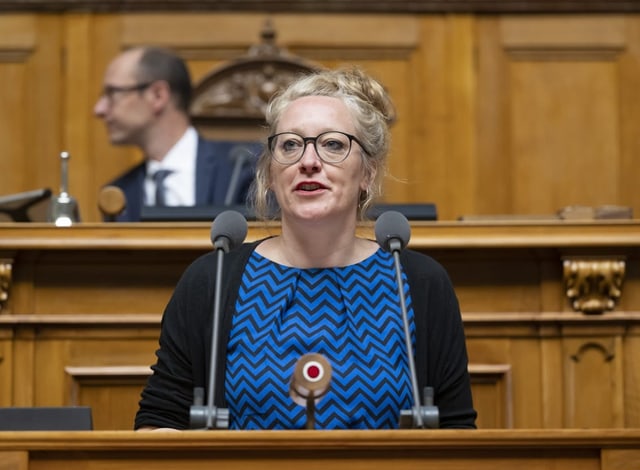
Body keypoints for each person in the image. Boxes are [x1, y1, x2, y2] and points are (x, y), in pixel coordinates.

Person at [134, 66, 477, 430]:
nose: (308, 162)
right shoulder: (213, 279)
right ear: (270, 172)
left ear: (367, 173)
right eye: (291, 145)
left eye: (332, 144)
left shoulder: (419, 282)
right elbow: (159, 422)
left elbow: (455, 431)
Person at [94, 46, 259, 221]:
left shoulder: (245, 168)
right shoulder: (119, 193)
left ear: (157, 95)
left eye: (112, 93)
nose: (99, 109)